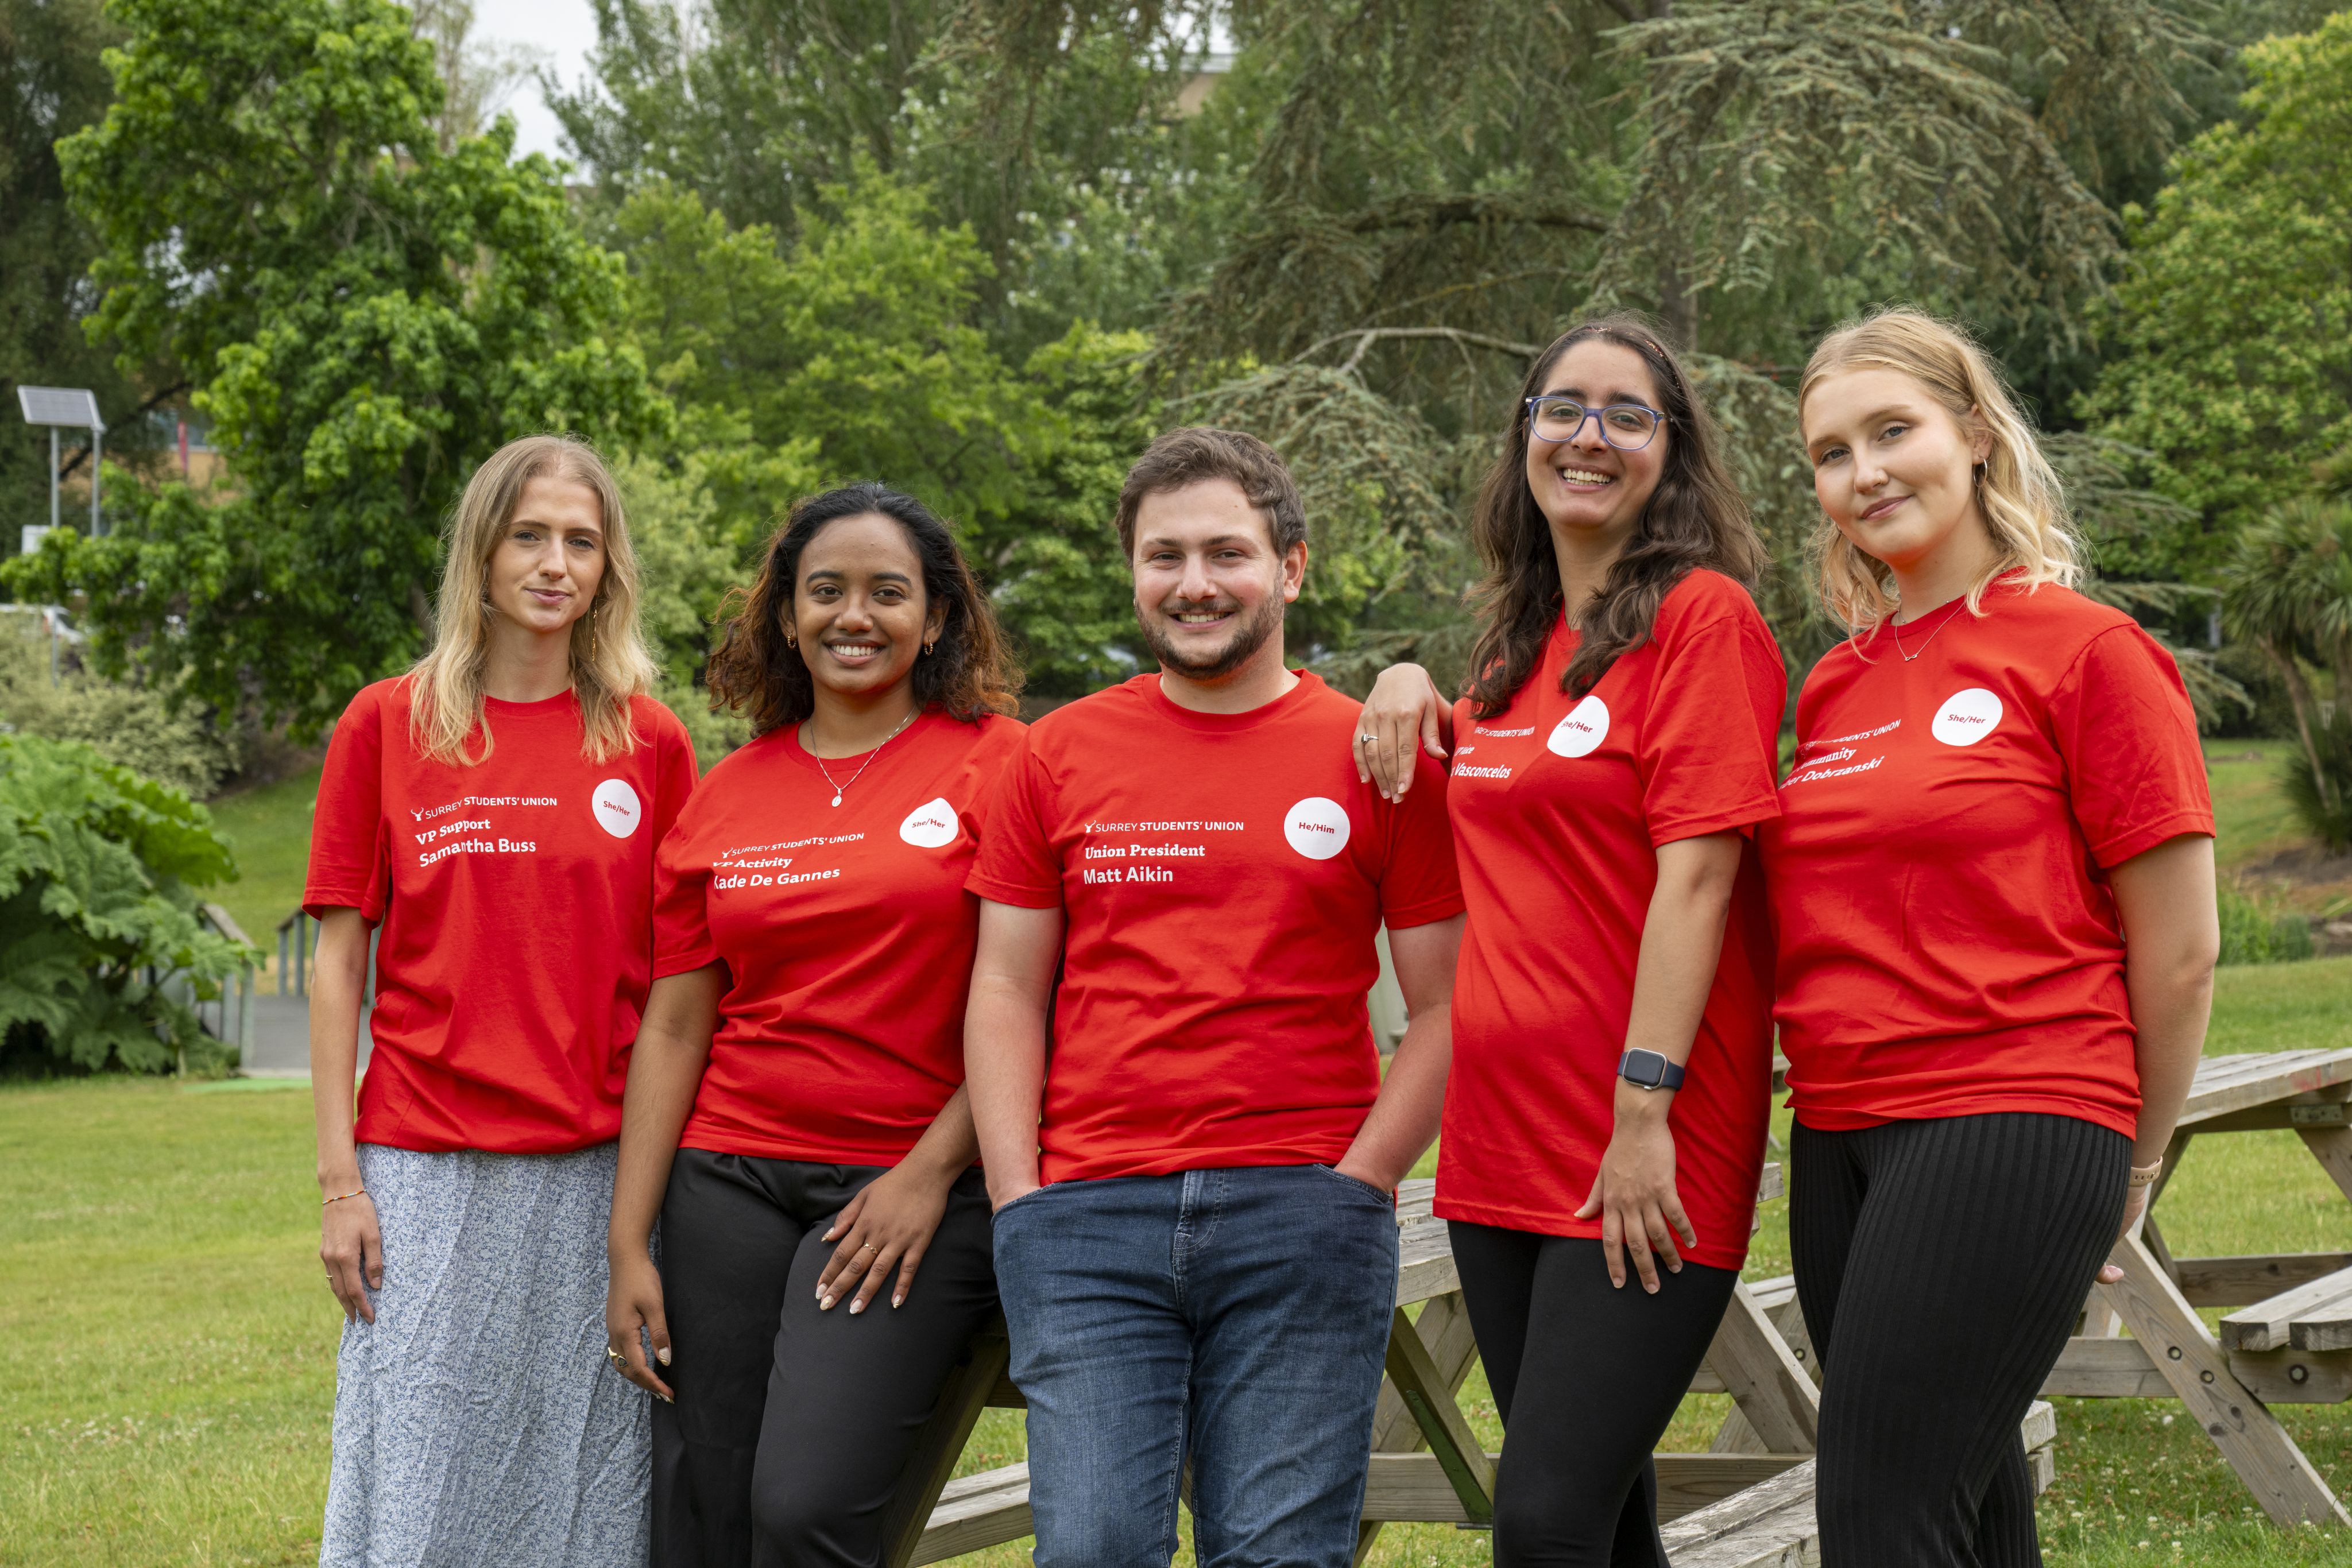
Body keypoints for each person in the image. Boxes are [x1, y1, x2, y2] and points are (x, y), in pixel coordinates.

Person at [964, 428, 1465, 1568]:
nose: (1193, 584)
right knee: (1091, 1551)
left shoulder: (1373, 753)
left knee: (1278, 1558)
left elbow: (1444, 1003)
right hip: (1085, 1219)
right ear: (1133, 571)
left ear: (1290, 566)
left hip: (1302, 1209)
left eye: (1225, 553)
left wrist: (1363, 1182)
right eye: (1163, 556)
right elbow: (1003, 984)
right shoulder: (1053, 754)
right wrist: (1016, 1198)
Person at [1764, 308, 2217, 1565]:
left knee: (1875, 1513)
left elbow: (2178, 953)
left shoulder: (2085, 652)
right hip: (1840, 1136)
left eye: (1890, 430)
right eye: (1830, 452)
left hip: (2013, 1113)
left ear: (1972, 435)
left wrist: (2130, 1169)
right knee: (1962, 1503)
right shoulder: (1837, 681)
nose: (1863, 473)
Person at [1350, 318, 1786, 1565]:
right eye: (1562, 407)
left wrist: (1642, 1110)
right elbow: (1475, 811)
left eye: (1625, 414)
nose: (1587, 435)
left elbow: (1698, 880)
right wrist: (1397, 676)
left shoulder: (1703, 622)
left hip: (1639, 1143)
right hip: (1496, 1142)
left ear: (1671, 451)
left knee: (1539, 1522)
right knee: (1600, 1518)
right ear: (1523, 432)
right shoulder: (1502, 653)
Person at [602, 484, 1025, 1568]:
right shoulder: (729, 790)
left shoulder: (1004, 764)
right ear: (785, 615)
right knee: (705, 1508)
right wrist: (628, 1239)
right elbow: (676, 1026)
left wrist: (931, 1175)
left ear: (936, 619)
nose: (854, 615)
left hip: (910, 1187)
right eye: (824, 590)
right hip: (728, 1183)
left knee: (803, 1508)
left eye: (890, 593)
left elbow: (1036, 1000)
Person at [308, 435, 699, 1567]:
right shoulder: (388, 722)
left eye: (581, 540)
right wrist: (342, 1183)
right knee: (422, 1482)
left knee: (588, 1487)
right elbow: (341, 962)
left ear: (608, 568)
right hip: (425, 1172)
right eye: (528, 535)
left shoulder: (649, 742)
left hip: (599, 1180)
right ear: (480, 554)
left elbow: (682, 987)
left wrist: (641, 1211)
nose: (553, 562)